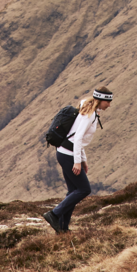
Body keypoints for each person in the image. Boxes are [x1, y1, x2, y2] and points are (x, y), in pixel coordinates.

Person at [45, 86, 113, 233]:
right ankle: (54, 214)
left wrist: (83, 160)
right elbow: (78, 138)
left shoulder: (88, 111)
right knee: (84, 189)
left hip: (65, 152)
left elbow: (76, 138)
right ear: (101, 100)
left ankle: (62, 228)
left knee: (73, 191)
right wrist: (77, 161)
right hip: (68, 155)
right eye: (108, 102)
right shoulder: (90, 115)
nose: (109, 105)